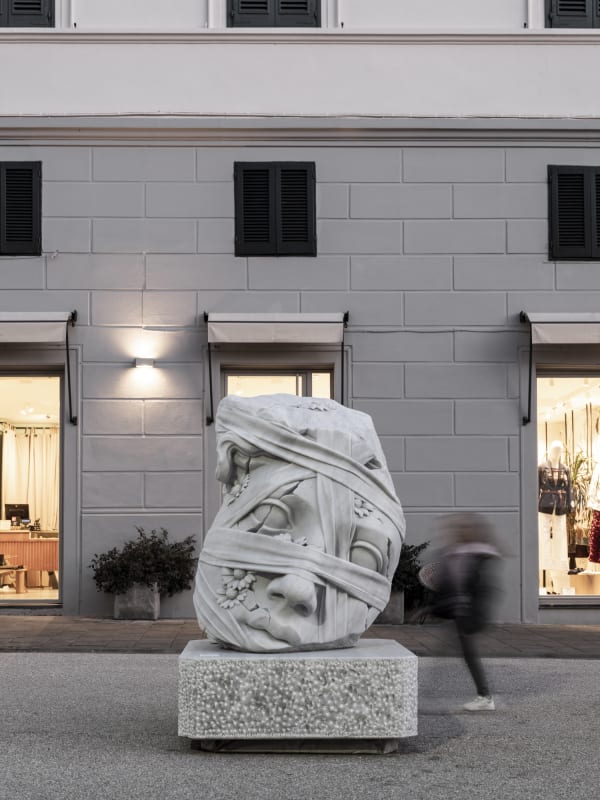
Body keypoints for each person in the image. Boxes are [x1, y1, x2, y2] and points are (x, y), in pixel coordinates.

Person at [422, 512, 502, 712]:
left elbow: (481, 588)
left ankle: (485, 696)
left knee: (468, 654)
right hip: (459, 613)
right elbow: (448, 586)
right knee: (460, 653)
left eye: (462, 528)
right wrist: (434, 607)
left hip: (468, 614)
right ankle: (481, 695)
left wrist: (473, 612)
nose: (456, 531)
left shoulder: (476, 555)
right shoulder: (452, 554)